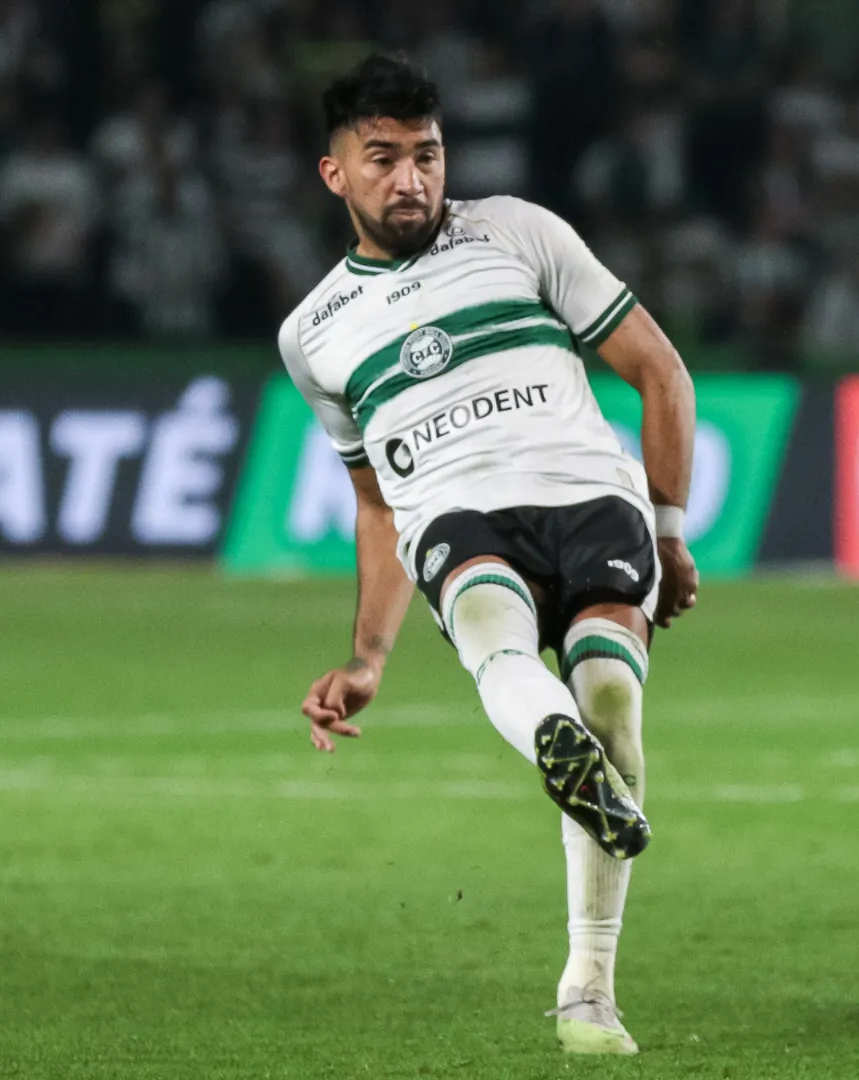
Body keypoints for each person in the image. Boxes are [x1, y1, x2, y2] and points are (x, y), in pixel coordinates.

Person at [280, 56, 699, 1057]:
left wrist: (671, 527)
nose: (410, 179)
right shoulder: (314, 335)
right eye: (381, 159)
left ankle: (589, 985)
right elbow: (378, 509)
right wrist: (368, 656)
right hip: (455, 513)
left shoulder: (520, 231)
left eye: (426, 154)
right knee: (500, 635)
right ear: (334, 173)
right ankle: (585, 983)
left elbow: (659, 368)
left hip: (588, 492)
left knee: (608, 698)